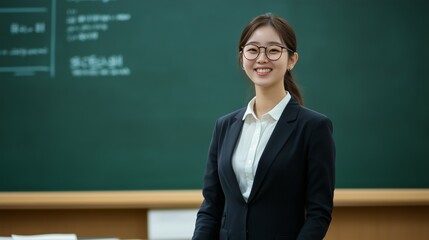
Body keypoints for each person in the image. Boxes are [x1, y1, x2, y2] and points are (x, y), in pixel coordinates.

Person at [192, 13, 335, 240]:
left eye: (273, 50)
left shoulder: (314, 127)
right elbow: (211, 206)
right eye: (253, 49)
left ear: (292, 60)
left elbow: (319, 213)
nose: (262, 58)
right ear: (242, 57)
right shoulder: (224, 126)